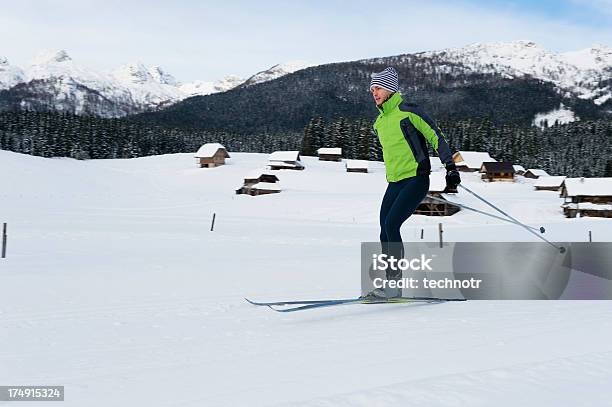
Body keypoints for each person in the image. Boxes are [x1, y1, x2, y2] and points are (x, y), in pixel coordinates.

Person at [366, 67, 461, 299]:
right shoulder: (379, 122)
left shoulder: (409, 112)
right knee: (383, 231)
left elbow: (435, 136)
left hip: (416, 179)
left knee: (391, 226)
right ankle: (390, 283)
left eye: (378, 88)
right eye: (371, 89)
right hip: (394, 182)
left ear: (389, 89)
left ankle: (394, 285)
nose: (374, 93)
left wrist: (450, 167)